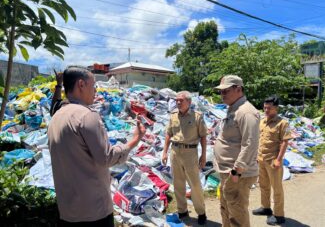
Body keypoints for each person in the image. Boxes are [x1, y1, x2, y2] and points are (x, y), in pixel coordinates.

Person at [47, 66, 146, 226]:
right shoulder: (86, 115)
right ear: (81, 84)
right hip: (93, 211)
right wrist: (134, 140)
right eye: (93, 85)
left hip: (67, 210)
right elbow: (106, 158)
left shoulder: (56, 117)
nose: (96, 91)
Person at [214, 75, 260, 227]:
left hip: (237, 173)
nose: (222, 95)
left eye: (226, 91)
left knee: (237, 214)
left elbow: (250, 143)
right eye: (221, 92)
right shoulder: (234, 109)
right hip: (229, 171)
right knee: (226, 209)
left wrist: (237, 170)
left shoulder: (246, 112)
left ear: (238, 89)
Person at [162, 91, 207, 225]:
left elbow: (203, 136)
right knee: (178, 183)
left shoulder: (197, 117)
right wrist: (164, 152)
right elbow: (168, 134)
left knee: (195, 184)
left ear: (189, 102)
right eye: (177, 100)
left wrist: (203, 156)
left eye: (181, 100)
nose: (178, 102)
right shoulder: (173, 116)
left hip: (190, 153)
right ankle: (182, 210)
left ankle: (201, 212)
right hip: (175, 152)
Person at [252, 96, 291, 225]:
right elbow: (259, 139)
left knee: (277, 189)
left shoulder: (282, 123)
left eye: (269, 108)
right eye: (265, 107)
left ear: (276, 108)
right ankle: (266, 208)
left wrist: (279, 160)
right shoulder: (262, 122)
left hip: (273, 161)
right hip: (261, 159)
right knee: (263, 185)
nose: (266, 110)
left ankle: (279, 215)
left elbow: (284, 143)